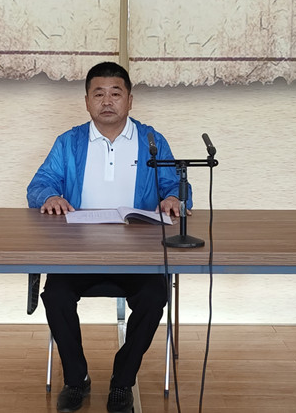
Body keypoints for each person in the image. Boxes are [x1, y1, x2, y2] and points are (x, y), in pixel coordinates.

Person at [27, 61, 191, 413]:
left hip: (139, 257)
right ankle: (76, 379)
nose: (107, 101)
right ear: (86, 101)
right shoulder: (69, 142)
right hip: (78, 253)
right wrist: (49, 196)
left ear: (130, 100)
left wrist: (175, 198)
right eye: (98, 93)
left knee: (154, 297)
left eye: (115, 93)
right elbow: (39, 184)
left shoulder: (151, 141)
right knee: (55, 295)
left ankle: (122, 381)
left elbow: (176, 186)